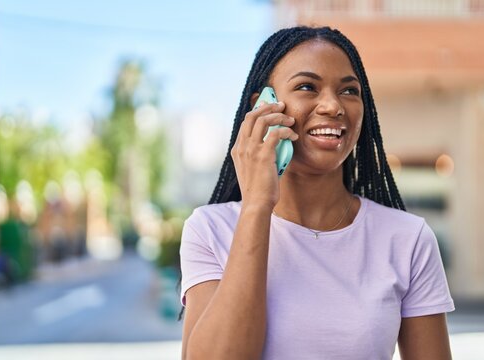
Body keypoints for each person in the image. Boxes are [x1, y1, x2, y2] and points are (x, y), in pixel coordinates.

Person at [179, 26, 455, 360]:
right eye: (307, 87)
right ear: (262, 107)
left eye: (349, 91)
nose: (332, 106)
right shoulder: (210, 230)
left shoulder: (407, 239)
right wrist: (256, 205)